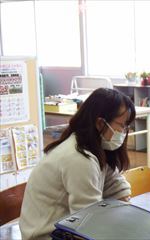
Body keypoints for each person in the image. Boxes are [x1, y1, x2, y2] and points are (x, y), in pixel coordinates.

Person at [19, 88, 136, 239]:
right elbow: (88, 223)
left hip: (65, 231)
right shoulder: (79, 158)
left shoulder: (94, 148)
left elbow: (118, 186)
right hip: (48, 236)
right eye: (122, 125)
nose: (124, 131)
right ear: (101, 123)